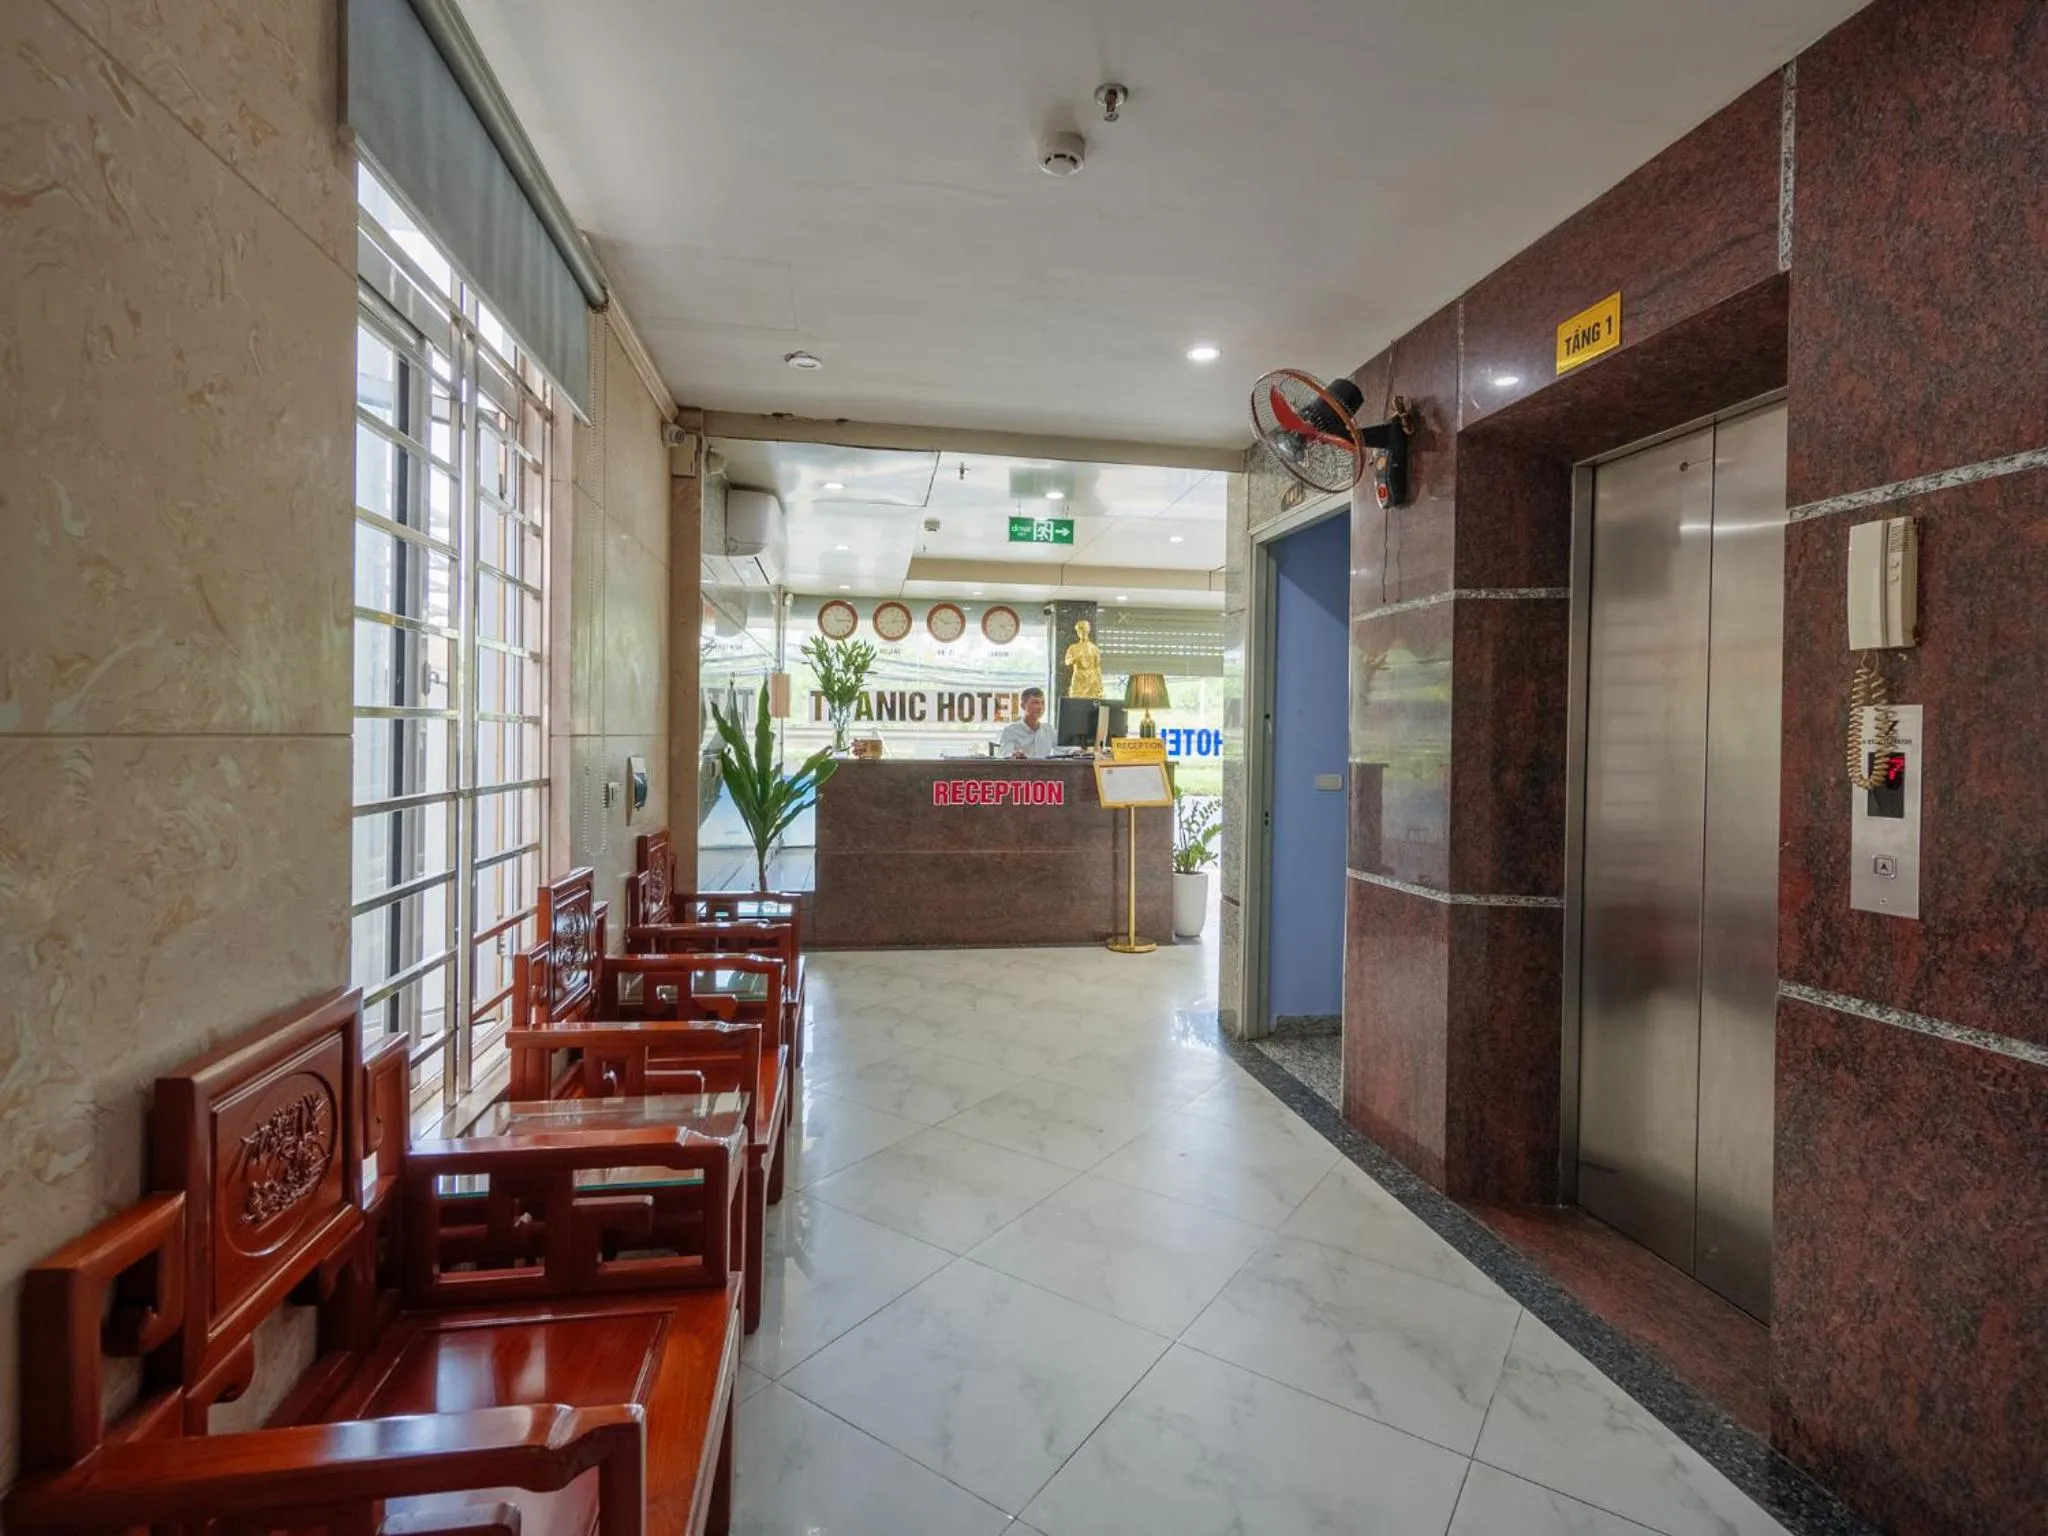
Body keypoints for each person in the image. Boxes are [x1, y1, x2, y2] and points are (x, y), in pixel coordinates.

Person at [998, 686, 1055, 759]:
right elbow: (1005, 754)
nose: (1040, 707)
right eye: (1036, 703)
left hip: (1045, 769)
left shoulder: (1049, 729)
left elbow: (1065, 750)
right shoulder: (1010, 731)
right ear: (1023, 706)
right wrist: (1014, 755)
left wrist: (1073, 750)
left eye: (1043, 703)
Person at [1063, 619, 1104, 700]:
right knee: (1075, 701)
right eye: (1081, 631)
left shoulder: (1094, 648)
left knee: (1092, 702)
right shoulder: (1073, 647)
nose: (1083, 633)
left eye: (1085, 631)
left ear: (1088, 631)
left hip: (1091, 678)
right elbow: (1067, 661)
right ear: (1078, 633)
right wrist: (1074, 659)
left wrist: (1100, 684)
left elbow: (1097, 667)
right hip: (1078, 677)